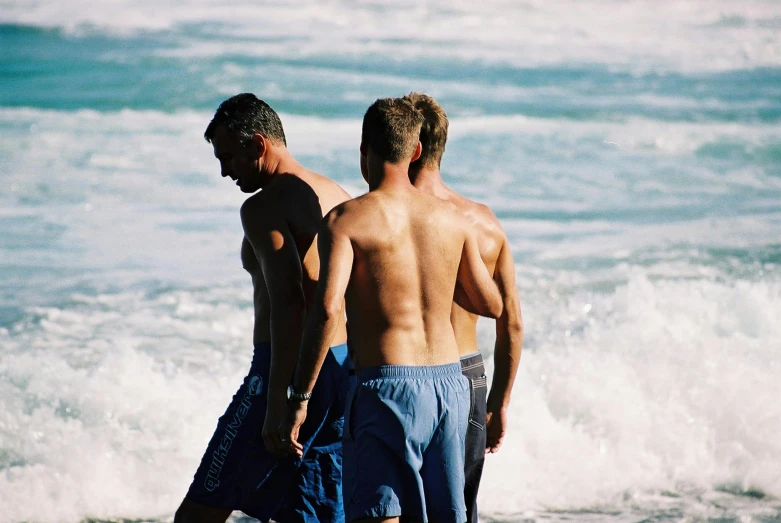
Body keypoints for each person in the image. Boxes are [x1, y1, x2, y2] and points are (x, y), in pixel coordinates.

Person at [277, 97, 504, 523]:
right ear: (416, 151)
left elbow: (327, 311)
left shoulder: (346, 220)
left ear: (364, 149)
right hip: (450, 387)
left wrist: (300, 397)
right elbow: (492, 305)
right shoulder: (453, 220)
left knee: (379, 514)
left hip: (387, 388)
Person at [175, 93, 354, 523]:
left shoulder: (262, 207)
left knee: (201, 510)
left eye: (230, 158)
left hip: (287, 365)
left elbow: (290, 302)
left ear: (259, 144)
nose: (224, 171)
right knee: (309, 512)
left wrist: (283, 399)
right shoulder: (335, 193)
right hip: (343, 364)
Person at [404, 92, 524, 523]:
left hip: (403, 376)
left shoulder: (384, 217)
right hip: (468, 376)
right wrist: (499, 402)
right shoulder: (484, 221)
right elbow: (511, 323)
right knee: (457, 508)